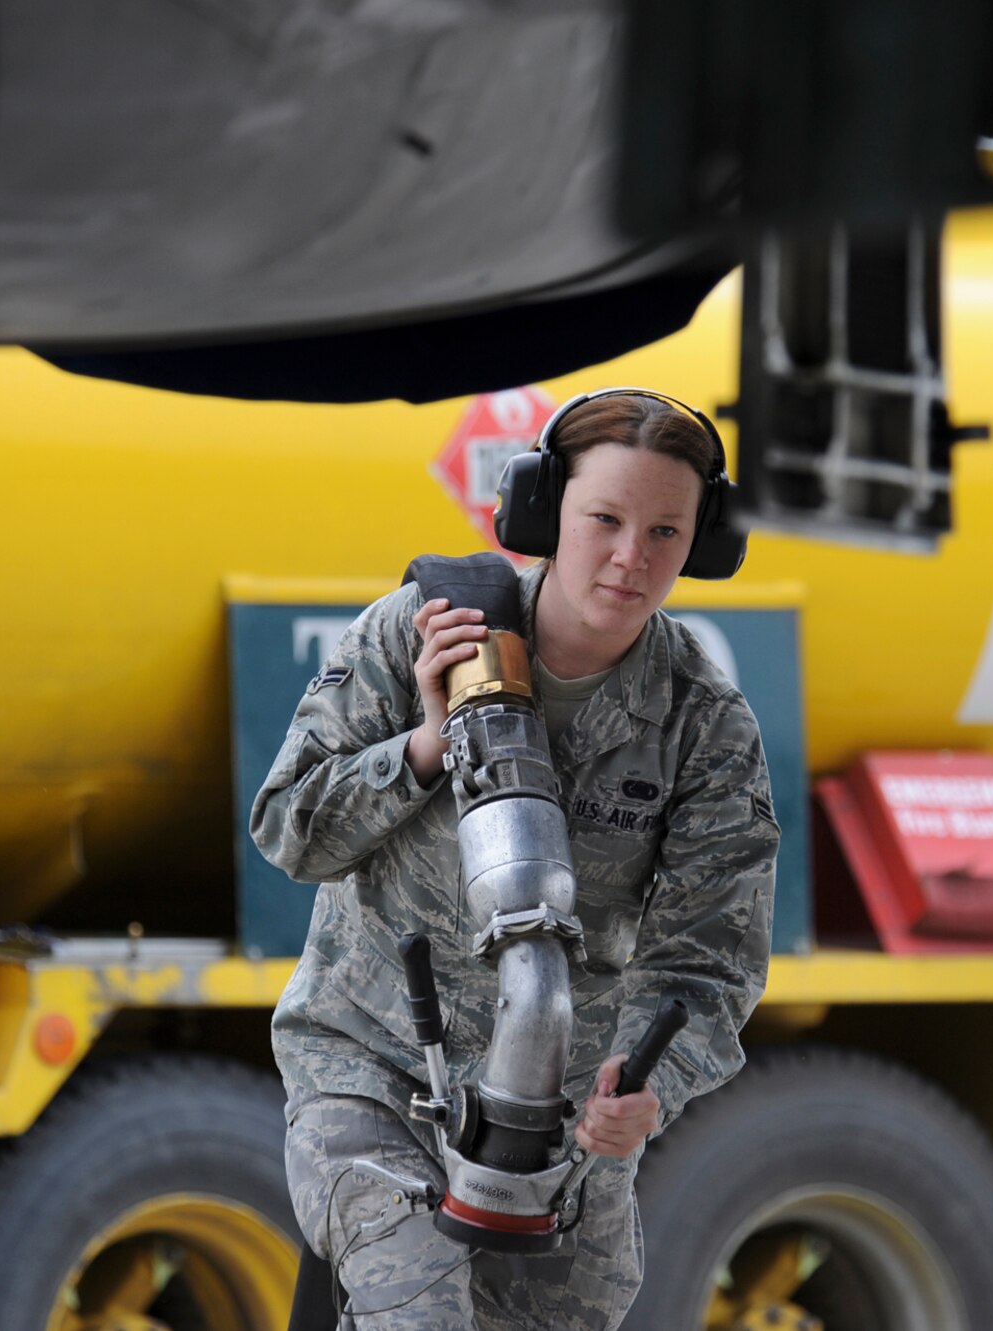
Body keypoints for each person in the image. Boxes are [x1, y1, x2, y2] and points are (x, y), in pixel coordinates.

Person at [253, 389, 778, 1330]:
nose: (632, 557)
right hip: (374, 1071)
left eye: (666, 530)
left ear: (704, 542)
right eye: (605, 519)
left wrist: (648, 1086)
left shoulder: (704, 721)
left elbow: (712, 958)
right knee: (419, 1314)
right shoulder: (425, 628)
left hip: (561, 1121)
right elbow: (290, 828)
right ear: (544, 511)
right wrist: (421, 745)